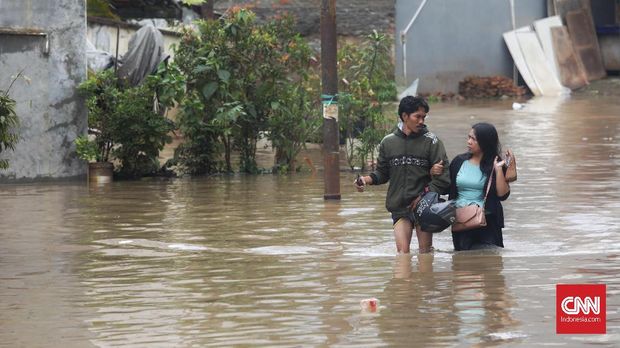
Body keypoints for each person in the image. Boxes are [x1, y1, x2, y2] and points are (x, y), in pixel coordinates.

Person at [355, 96, 450, 253]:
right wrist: (365, 180)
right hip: (399, 207)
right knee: (402, 254)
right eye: (417, 116)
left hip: (425, 207)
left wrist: (423, 196)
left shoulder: (432, 142)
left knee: (425, 253)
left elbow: (444, 178)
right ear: (405, 116)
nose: (421, 121)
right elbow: (382, 173)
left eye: (423, 117)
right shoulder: (388, 142)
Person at [444, 123, 513, 251]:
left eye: (473, 139)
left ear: (485, 142)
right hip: (461, 220)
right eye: (468, 137)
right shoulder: (458, 162)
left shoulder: (497, 163)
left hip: (488, 221)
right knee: (462, 264)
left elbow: (502, 195)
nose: (469, 142)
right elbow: (446, 188)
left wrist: (498, 170)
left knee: (490, 264)